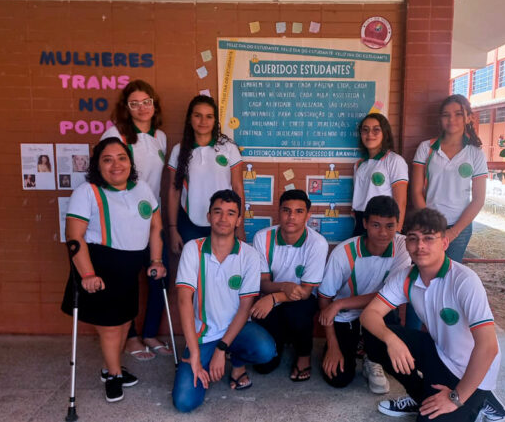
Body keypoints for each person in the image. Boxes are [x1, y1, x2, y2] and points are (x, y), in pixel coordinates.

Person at [360, 208, 505, 422]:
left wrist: (456, 398)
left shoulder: (464, 280)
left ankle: (481, 399)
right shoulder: (407, 277)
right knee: (375, 337)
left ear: (444, 243)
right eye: (413, 239)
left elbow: (488, 347)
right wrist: (392, 340)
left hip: (473, 371)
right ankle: (421, 398)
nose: (420, 246)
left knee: (432, 419)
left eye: (429, 238)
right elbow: (369, 314)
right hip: (439, 353)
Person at [61, 137, 166, 403]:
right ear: (98, 164)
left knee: (124, 321)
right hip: (100, 267)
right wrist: (87, 274)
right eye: (107, 159)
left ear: (130, 162)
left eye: (121, 158)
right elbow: (74, 237)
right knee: (109, 327)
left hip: (130, 268)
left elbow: (156, 227)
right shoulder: (87, 192)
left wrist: (155, 261)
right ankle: (114, 375)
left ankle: (111, 368)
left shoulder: (141, 187)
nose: (116, 164)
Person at [172, 190, 276, 412]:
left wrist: (221, 349)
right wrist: (196, 355)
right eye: (217, 212)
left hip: (237, 330)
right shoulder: (193, 249)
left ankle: (236, 362)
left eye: (231, 213)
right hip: (203, 334)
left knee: (266, 350)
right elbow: (183, 303)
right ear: (208, 216)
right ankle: (198, 357)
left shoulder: (249, 255)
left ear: (239, 220)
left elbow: (245, 308)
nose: (223, 218)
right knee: (184, 402)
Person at [101, 79, 170, 361]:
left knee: (157, 277)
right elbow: (105, 172)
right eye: (135, 104)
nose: (142, 108)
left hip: (153, 219)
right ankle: (130, 337)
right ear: (126, 108)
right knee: (126, 281)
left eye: (147, 102)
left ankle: (150, 332)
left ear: (154, 105)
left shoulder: (161, 137)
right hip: (123, 220)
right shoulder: (115, 133)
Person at [317, 195, 410, 394]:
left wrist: (340, 304)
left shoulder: (403, 247)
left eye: (390, 226)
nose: (383, 233)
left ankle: (372, 357)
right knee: (338, 378)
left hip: (380, 313)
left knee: (399, 365)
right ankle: (352, 346)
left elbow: (390, 295)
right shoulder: (344, 253)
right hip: (345, 318)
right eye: (376, 225)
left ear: (398, 224)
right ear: (365, 223)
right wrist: (333, 345)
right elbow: (325, 299)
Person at [250, 189, 329, 382]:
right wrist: (283, 287)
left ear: (308, 215)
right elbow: (262, 283)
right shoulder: (262, 238)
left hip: (302, 301)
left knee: (297, 313)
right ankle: (279, 344)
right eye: (286, 210)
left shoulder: (317, 243)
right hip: (271, 297)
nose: (291, 217)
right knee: (264, 366)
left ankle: (303, 355)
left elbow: (306, 291)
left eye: (299, 211)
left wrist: (275, 296)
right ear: (279, 212)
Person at [411, 94, 487, 264]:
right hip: (428, 224)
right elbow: (416, 191)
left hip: (460, 228)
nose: (451, 119)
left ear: (469, 117)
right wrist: (430, 225)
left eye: (458, 114)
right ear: (440, 119)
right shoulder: (426, 148)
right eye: (446, 115)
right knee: (424, 269)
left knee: (450, 274)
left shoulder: (475, 153)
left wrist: (453, 233)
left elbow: (479, 199)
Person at [168, 95, 247, 255]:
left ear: (215, 120)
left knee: (223, 269)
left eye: (209, 116)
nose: (203, 121)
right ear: (190, 119)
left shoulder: (228, 148)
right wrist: (173, 229)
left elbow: (238, 187)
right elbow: (173, 191)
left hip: (224, 221)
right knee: (194, 272)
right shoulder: (179, 150)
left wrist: (240, 225)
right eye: (198, 115)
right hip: (190, 223)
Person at [352, 113, 408, 235]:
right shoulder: (359, 165)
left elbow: (401, 201)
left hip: (383, 223)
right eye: (365, 130)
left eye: (376, 130)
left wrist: (396, 231)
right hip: (361, 222)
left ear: (385, 133)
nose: (370, 134)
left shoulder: (394, 160)